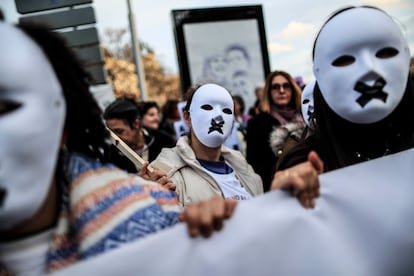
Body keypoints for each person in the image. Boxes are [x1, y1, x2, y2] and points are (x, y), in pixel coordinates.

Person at [0, 22, 238, 275]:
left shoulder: (156, 217)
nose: (218, 118)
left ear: (61, 122)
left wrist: (223, 231)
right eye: (207, 108)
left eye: (5, 108)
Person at [276, 6, 414, 173]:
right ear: (319, 73)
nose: (369, 69)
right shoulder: (303, 165)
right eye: (344, 60)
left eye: (385, 52)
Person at [151, 83, 322, 208]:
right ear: (187, 117)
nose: (218, 118)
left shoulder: (245, 171)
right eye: (208, 108)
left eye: (226, 111)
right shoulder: (165, 173)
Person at [246, 70, 305, 192]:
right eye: (275, 87)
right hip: (278, 189)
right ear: (269, 92)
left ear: (293, 89)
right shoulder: (257, 123)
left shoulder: (305, 116)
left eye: (286, 86)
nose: (281, 91)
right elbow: (255, 166)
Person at [103, 97, 176, 173]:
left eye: (119, 131)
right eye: (111, 133)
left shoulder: (164, 141)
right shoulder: (110, 153)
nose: (115, 137)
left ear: (136, 123)